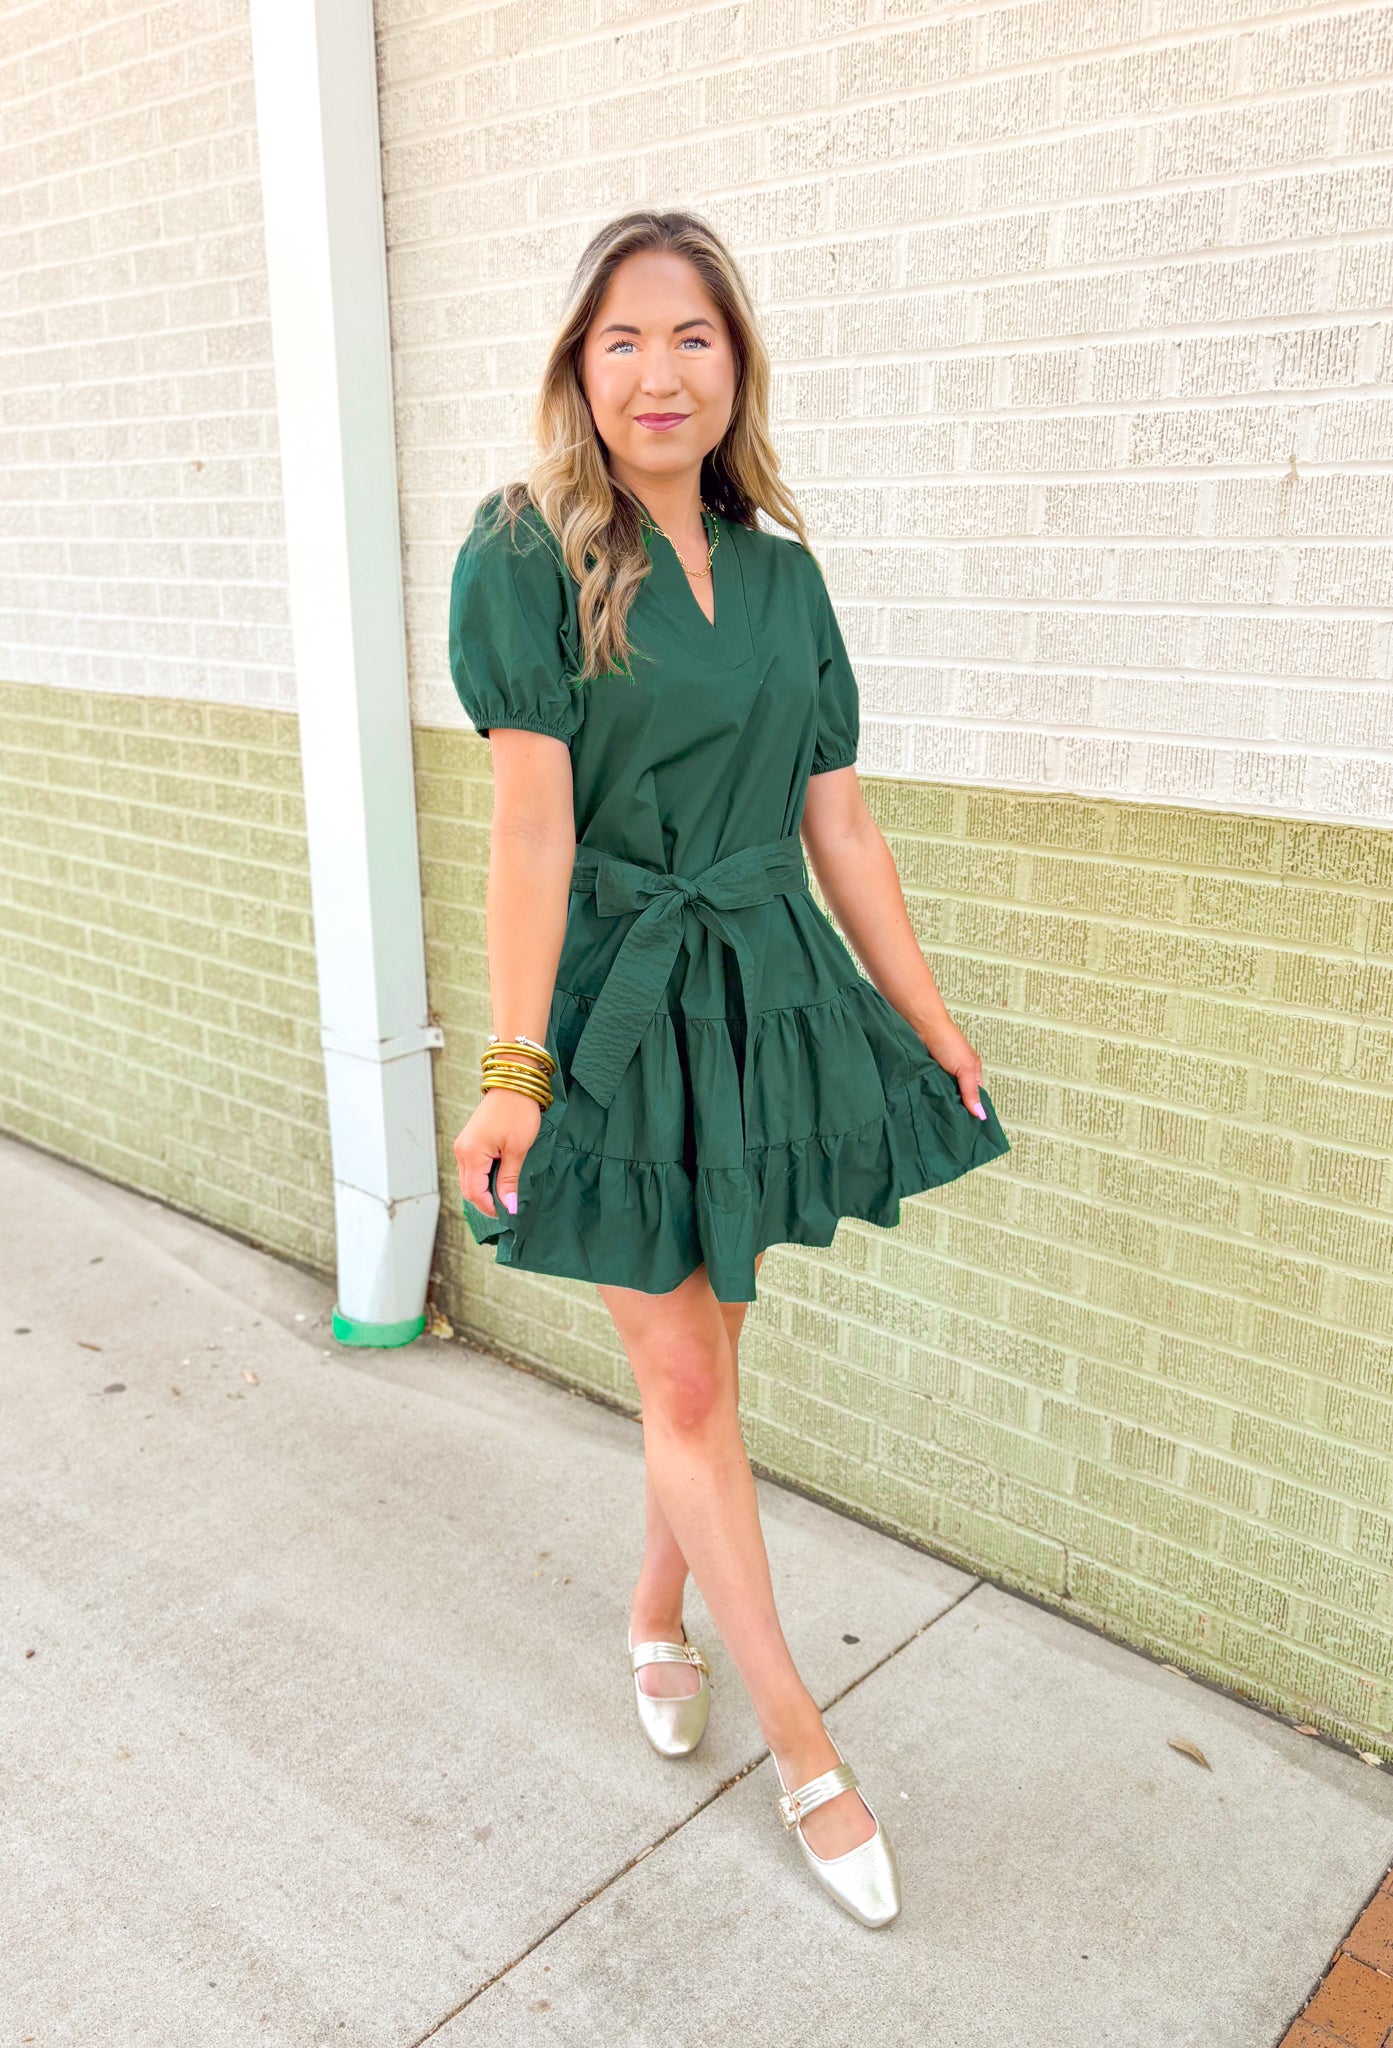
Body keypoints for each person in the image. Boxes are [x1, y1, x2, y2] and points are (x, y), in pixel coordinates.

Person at [448, 210, 1011, 1929]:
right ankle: (805, 1751)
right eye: (620, 339)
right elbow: (530, 834)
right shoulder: (521, 551)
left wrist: (921, 1011)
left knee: (703, 1373)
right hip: (615, 998)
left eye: (689, 336)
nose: (656, 372)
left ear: (735, 360)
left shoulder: (782, 573)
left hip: (764, 993)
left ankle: (652, 1619)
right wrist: (514, 1066)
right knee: (684, 1382)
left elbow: (836, 815)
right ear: (577, 366)